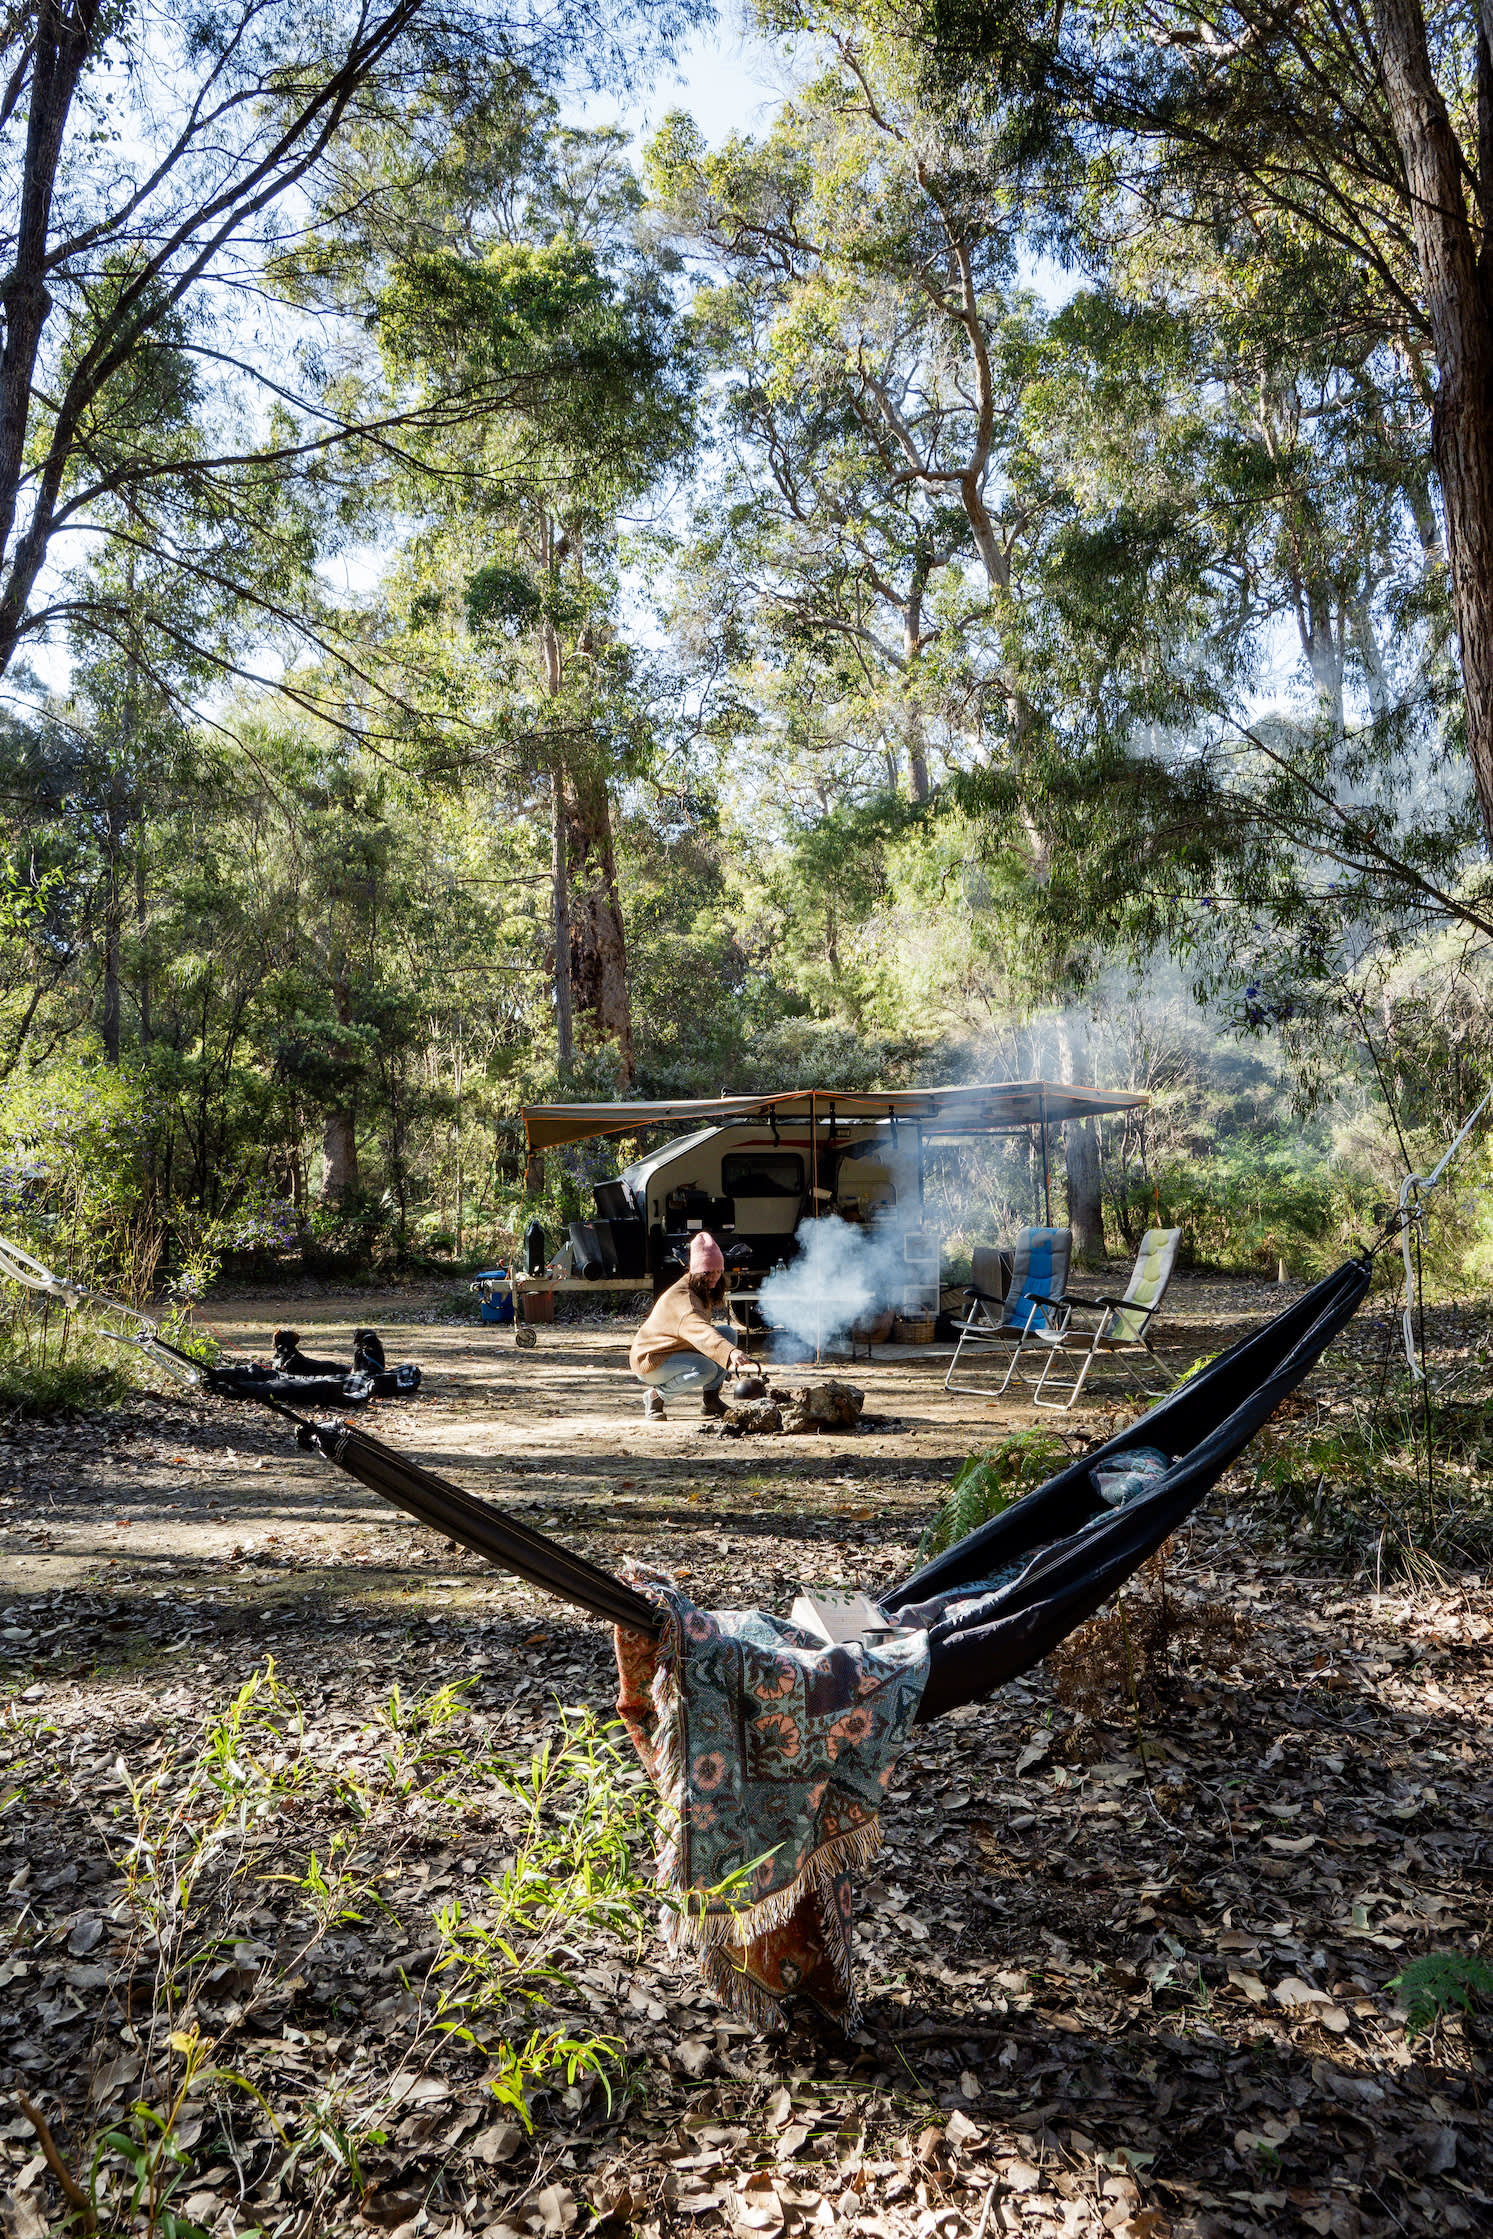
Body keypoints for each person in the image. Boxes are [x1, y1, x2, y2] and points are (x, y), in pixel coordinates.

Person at [630, 1232, 755, 1420]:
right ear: (697, 1271)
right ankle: (655, 1397)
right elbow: (701, 1332)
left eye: (719, 1271)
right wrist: (731, 1352)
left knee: (728, 1332)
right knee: (706, 1369)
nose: (715, 1277)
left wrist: (728, 1349)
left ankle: (710, 1400)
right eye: (709, 1272)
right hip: (651, 1360)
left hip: (675, 1349)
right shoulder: (684, 1299)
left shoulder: (699, 1289)